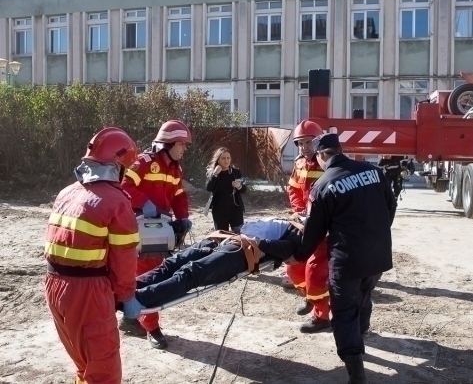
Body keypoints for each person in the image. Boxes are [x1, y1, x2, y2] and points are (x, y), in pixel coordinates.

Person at [293, 133, 396, 384]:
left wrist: (297, 255)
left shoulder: (324, 184)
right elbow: (390, 206)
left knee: (344, 312)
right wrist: (376, 235)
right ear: (340, 150)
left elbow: (314, 232)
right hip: (378, 254)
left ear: (322, 155)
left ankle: (356, 374)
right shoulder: (373, 171)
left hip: (347, 259)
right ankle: (361, 336)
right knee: (364, 294)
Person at [44, 127, 142, 384]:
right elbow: (123, 258)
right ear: (118, 166)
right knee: (104, 371)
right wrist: (127, 295)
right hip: (87, 293)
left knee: (83, 362)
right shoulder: (116, 200)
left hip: (55, 286)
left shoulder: (67, 193)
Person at [119, 119, 193, 350]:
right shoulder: (142, 162)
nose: (184, 149)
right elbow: (123, 187)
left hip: (160, 227)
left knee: (151, 273)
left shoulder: (175, 168)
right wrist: (144, 203)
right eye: (181, 144)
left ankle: (131, 319)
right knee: (149, 273)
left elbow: (179, 195)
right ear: (168, 144)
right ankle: (152, 328)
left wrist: (183, 217)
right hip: (140, 227)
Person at [133, 220, 302, 309]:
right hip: (225, 238)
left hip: (241, 251)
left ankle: (139, 298)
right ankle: (127, 289)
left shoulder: (301, 233)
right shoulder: (292, 220)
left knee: (191, 272)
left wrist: (256, 241)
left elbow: (287, 249)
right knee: (173, 263)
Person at [285, 119, 331, 333]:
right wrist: (298, 210)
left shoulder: (328, 163)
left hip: (323, 228)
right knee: (294, 268)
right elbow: (293, 189)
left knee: (315, 273)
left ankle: (322, 317)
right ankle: (312, 299)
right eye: (300, 143)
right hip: (303, 223)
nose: (304, 147)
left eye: (308, 142)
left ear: (319, 142)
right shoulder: (299, 163)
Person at [204, 147, 246, 233]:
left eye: (228, 158)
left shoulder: (235, 172)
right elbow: (208, 188)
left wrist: (239, 186)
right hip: (219, 211)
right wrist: (215, 174)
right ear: (218, 160)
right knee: (222, 237)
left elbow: (244, 189)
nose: (226, 160)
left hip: (235, 210)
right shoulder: (212, 172)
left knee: (239, 234)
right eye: (223, 158)